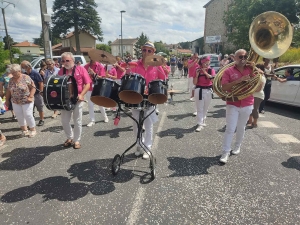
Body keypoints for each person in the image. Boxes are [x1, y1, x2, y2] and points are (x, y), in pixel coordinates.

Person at [130, 41, 169, 159]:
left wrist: (163, 70)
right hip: (136, 97)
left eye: (149, 50)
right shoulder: (135, 64)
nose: (146, 52)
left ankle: (147, 147)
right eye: (144, 50)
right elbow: (129, 78)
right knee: (136, 123)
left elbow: (163, 80)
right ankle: (139, 144)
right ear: (141, 51)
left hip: (150, 98)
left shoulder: (156, 66)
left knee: (148, 124)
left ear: (153, 52)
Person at [219, 49, 255, 163]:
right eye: (240, 57)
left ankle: (237, 146)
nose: (243, 59)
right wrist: (239, 81)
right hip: (233, 103)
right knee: (230, 128)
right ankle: (225, 152)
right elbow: (224, 87)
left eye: (245, 57)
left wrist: (260, 78)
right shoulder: (228, 71)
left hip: (247, 102)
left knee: (241, 127)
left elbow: (257, 85)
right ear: (234, 58)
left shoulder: (251, 69)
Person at [58, 52, 91, 149]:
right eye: (63, 61)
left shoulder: (81, 69)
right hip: (65, 100)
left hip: (77, 99)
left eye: (67, 60)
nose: (65, 62)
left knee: (77, 121)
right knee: (64, 121)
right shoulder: (61, 71)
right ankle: (70, 137)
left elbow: (88, 83)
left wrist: (81, 95)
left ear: (72, 60)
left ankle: (77, 140)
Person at [5, 64, 37, 137]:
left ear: (19, 71)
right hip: (15, 101)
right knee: (19, 116)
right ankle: (24, 130)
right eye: (11, 72)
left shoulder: (26, 77)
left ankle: (33, 130)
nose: (12, 74)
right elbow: (9, 91)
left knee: (28, 114)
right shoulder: (11, 80)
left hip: (26, 100)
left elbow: (33, 87)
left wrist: (31, 96)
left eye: (14, 72)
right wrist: (7, 100)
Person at [83, 58, 108, 127]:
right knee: (90, 105)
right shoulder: (86, 66)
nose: (92, 59)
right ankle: (92, 120)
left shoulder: (100, 66)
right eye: (91, 57)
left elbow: (102, 78)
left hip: (97, 87)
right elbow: (83, 77)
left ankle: (105, 116)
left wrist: (93, 73)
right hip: (89, 87)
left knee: (100, 103)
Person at [193, 56, 215, 132]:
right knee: (199, 108)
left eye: (208, 62)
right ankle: (199, 123)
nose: (206, 64)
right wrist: (196, 75)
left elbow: (212, 80)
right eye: (205, 63)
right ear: (201, 63)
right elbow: (195, 83)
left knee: (206, 107)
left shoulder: (211, 70)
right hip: (199, 90)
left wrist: (205, 73)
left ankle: (203, 120)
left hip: (208, 90)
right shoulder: (197, 70)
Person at [21, 61, 45, 126]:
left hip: (37, 94)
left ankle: (42, 119)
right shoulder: (24, 74)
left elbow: (40, 83)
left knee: (40, 107)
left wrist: (41, 91)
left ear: (27, 67)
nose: (22, 68)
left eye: (22, 67)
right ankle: (32, 121)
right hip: (28, 94)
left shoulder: (35, 73)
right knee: (30, 109)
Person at [246, 64, 266, 128]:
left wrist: (249, 90)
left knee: (255, 109)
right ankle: (250, 121)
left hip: (258, 96)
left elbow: (259, 89)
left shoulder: (261, 78)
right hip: (253, 95)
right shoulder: (255, 77)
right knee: (250, 109)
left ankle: (255, 123)